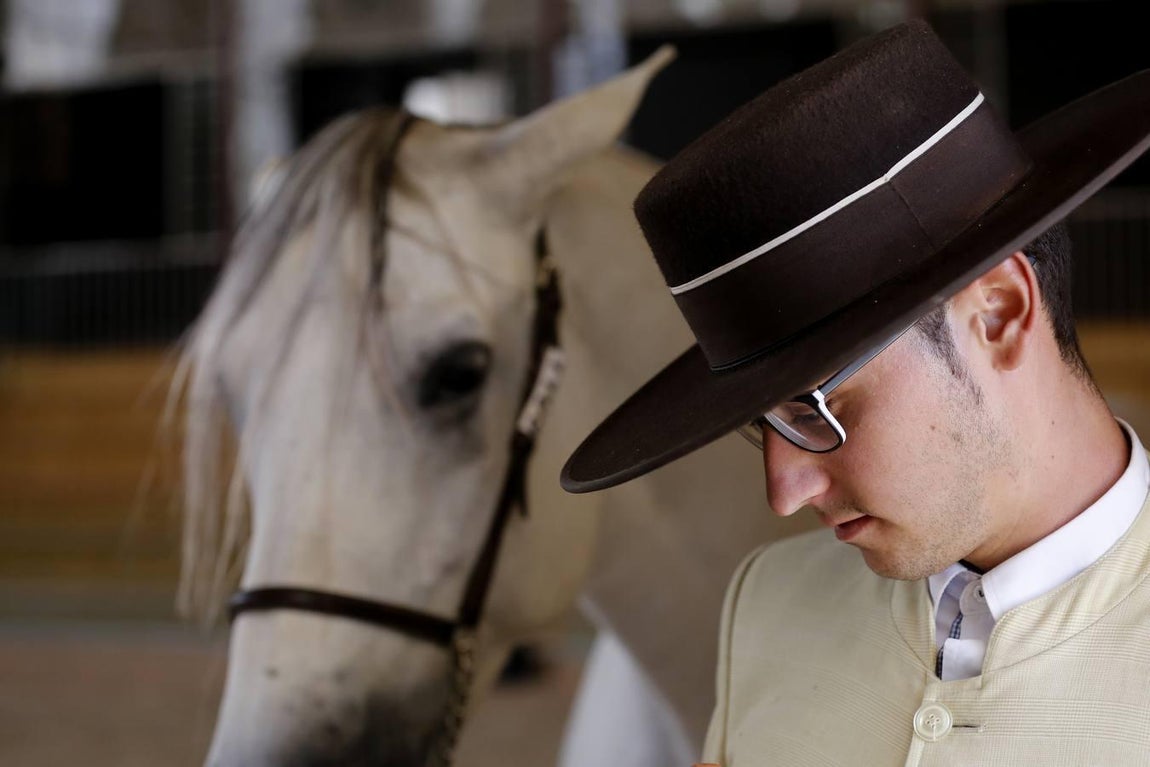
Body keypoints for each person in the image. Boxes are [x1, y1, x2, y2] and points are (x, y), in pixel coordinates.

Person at [560, 19, 1150, 766]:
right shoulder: (768, 601)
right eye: (763, 422)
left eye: (814, 408)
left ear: (998, 312)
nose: (784, 490)